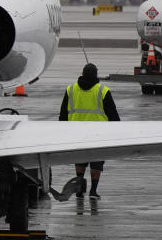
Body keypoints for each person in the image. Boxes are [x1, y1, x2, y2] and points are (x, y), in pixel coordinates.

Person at [51, 62, 120, 201]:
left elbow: (63, 114)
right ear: (96, 74)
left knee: (80, 162)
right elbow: (113, 114)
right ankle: (93, 191)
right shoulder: (103, 90)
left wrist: (62, 130)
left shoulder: (71, 89)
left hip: (77, 133)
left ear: (82, 73)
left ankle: (79, 190)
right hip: (98, 134)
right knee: (96, 164)